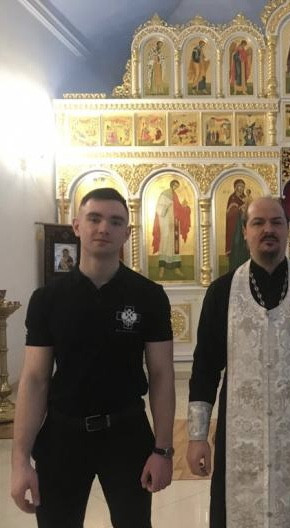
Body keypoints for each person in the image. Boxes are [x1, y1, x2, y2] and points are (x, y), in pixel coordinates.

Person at [11, 188, 175, 528]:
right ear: (76, 226)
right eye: (94, 218)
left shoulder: (149, 296)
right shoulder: (47, 299)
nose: (103, 228)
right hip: (62, 435)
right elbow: (35, 379)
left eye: (115, 221)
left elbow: (161, 374)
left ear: (127, 233)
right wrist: (20, 460)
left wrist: (163, 450)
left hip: (126, 433)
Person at [187, 197, 290, 527]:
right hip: (239, 436)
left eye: (277, 222)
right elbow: (205, 367)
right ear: (245, 232)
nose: (268, 230)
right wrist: (196, 436)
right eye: (258, 223)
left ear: (288, 229)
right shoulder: (221, 292)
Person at [152, 179, 191, 279]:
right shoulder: (165, 194)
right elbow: (159, 208)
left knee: (175, 245)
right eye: (175, 185)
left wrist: (185, 207)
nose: (176, 187)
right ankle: (162, 269)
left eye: (177, 186)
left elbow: (178, 209)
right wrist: (167, 206)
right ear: (172, 184)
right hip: (165, 224)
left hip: (175, 224)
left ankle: (176, 268)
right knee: (165, 244)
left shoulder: (175, 195)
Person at [225, 179, 250, 271]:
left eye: (243, 186)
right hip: (235, 227)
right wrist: (239, 209)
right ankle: (234, 268)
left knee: (244, 247)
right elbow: (230, 213)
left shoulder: (245, 198)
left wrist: (247, 208)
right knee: (236, 244)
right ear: (235, 187)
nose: (241, 188)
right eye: (240, 186)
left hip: (244, 226)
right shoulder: (232, 198)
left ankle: (245, 268)